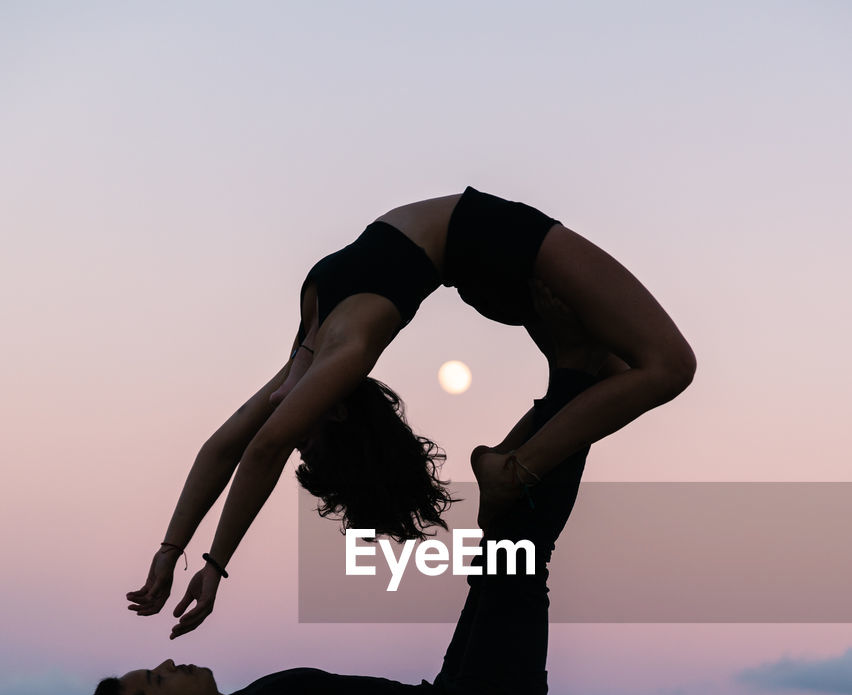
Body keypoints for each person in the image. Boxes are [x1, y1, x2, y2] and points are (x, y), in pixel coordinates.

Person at [127, 187, 695, 638]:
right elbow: (238, 448)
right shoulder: (327, 350)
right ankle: (514, 464)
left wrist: (205, 561)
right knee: (642, 371)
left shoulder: (331, 355)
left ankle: (511, 463)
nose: (296, 436)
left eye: (305, 442)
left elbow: (247, 448)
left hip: (485, 243)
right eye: (308, 441)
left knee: (639, 371)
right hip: (483, 251)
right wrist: (175, 551)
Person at [97, 371, 608, 695]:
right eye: (158, 679)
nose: (167, 663)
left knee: (503, 550)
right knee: (518, 556)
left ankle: (571, 387)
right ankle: (581, 380)